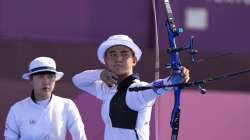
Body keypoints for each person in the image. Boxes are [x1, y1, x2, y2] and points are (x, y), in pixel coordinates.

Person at [72, 35, 190, 140]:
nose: (118, 59)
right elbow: (77, 80)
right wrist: (99, 74)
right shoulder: (108, 88)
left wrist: (172, 80)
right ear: (106, 61)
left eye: (124, 54)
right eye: (113, 55)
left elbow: (155, 87)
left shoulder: (137, 90)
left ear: (134, 60)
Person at [4, 56, 87, 140]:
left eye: (50, 77)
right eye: (40, 76)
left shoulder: (67, 105)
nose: (46, 81)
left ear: (55, 79)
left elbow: (80, 137)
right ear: (31, 80)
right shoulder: (17, 109)